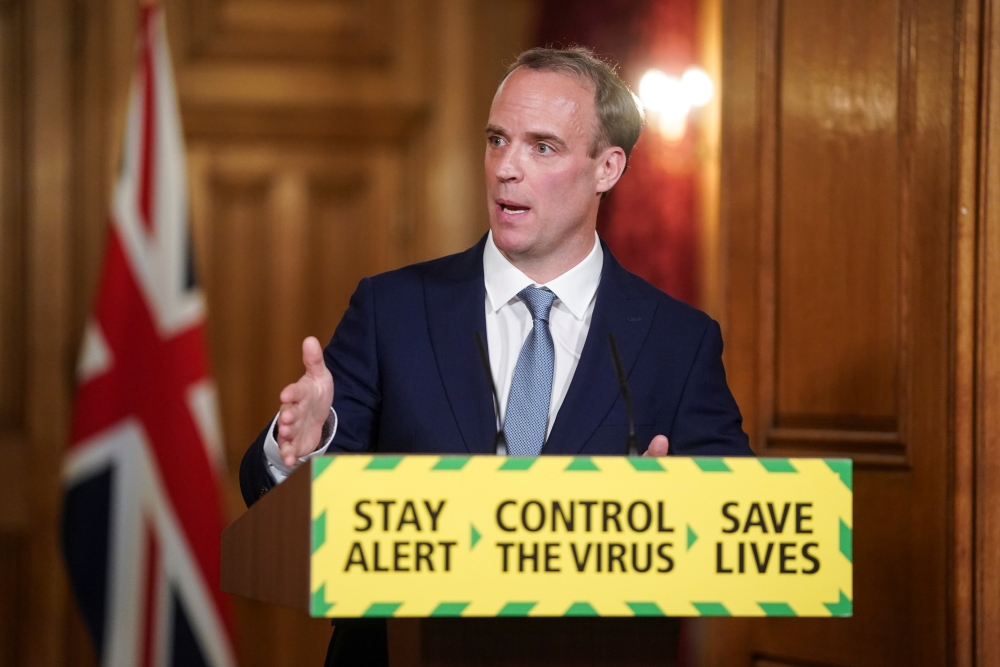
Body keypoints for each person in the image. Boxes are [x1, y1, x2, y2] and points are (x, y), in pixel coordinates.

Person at [239, 46, 752, 667]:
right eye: (496, 139)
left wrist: (666, 516)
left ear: (607, 168)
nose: (507, 168)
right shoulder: (392, 311)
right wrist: (300, 449)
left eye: (542, 147)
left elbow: (738, 537)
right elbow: (282, 512)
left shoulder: (678, 342)